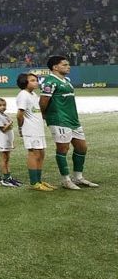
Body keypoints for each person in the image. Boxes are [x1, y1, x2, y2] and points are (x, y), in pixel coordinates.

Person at [40, 55, 98, 190]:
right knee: (63, 149)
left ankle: (78, 177)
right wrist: (47, 116)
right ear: (55, 67)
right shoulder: (50, 82)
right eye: (64, 65)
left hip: (73, 120)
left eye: (68, 65)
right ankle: (65, 180)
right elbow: (43, 101)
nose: (68, 67)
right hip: (59, 120)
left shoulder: (66, 81)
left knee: (82, 147)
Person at [16, 73, 52, 191]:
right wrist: (21, 128)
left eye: (36, 80)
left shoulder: (33, 94)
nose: (36, 82)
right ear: (25, 82)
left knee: (41, 154)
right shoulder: (23, 95)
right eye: (32, 80)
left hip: (38, 129)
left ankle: (39, 180)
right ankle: (34, 182)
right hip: (30, 129)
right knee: (34, 154)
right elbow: (19, 114)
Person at [0, 97, 19, 187]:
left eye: (4, 105)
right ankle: (5, 179)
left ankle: (9, 177)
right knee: (4, 159)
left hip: (7, 141)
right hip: (2, 141)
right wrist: (9, 123)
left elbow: (9, 129)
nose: (2, 107)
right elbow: (3, 129)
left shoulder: (3, 114)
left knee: (7, 159)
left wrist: (11, 142)